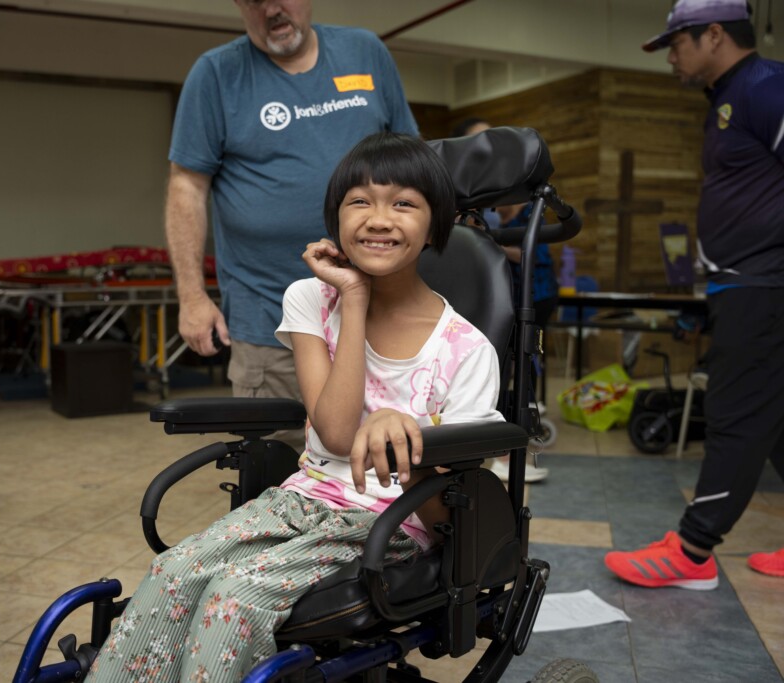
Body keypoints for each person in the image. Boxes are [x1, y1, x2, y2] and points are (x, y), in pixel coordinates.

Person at [88, 132, 504, 682]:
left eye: (403, 203)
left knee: (237, 596)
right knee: (174, 570)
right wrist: (352, 299)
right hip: (300, 500)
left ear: (435, 226)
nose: (379, 219)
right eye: (360, 201)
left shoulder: (467, 350)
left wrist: (404, 442)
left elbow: (449, 511)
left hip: (390, 521)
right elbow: (334, 433)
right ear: (335, 220)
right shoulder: (312, 298)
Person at [165, 0, 419, 448]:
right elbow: (187, 187)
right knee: (279, 473)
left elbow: (412, 163)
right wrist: (191, 295)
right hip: (270, 323)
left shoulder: (364, 51)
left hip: (382, 315)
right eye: (254, 0)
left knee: (384, 471)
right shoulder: (217, 74)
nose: (271, 9)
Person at [605, 0, 784, 587]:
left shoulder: (765, 87)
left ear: (713, 35)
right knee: (775, 422)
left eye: (676, 43)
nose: (671, 58)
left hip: (764, 284)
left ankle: (693, 551)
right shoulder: (727, 100)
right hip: (743, 283)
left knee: (733, 414)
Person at [450, 119, 555, 483]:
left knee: (511, 365)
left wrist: (490, 243)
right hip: (489, 295)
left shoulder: (520, 208)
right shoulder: (471, 206)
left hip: (526, 297)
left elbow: (531, 256)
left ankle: (512, 447)